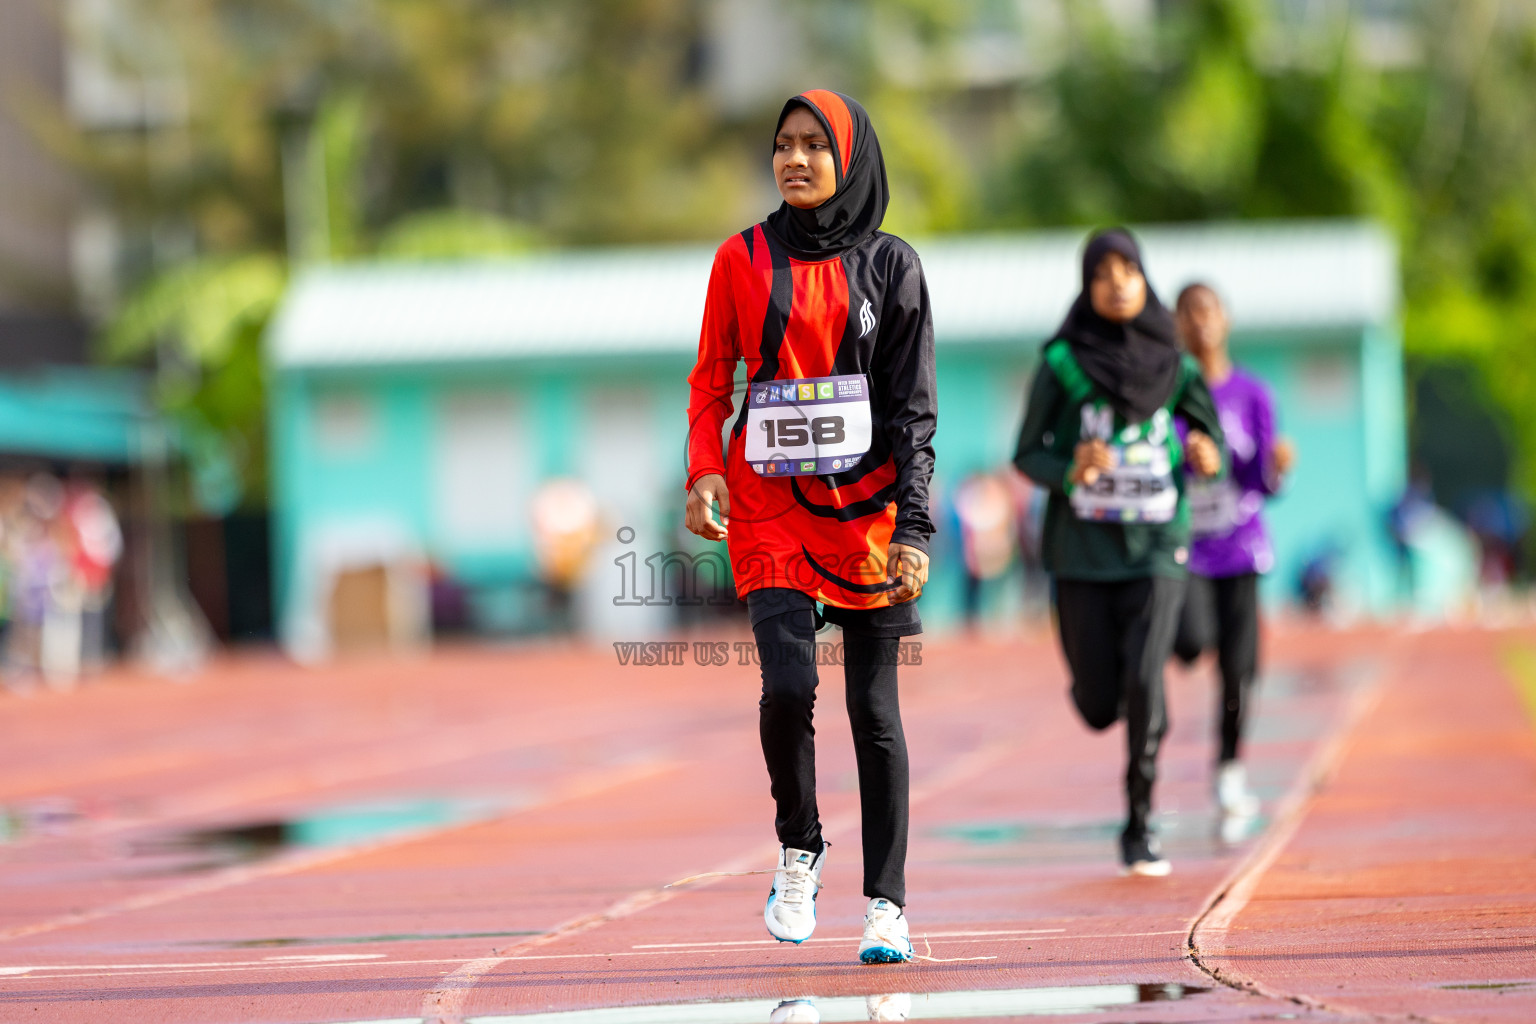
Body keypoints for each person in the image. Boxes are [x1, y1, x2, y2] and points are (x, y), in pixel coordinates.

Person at [684, 89, 936, 963]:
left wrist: (915, 527)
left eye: (813, 147)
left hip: (867, 521)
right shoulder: (740, 261)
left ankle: (887, 905)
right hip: (770, 511)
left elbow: (912, 414)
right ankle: (800, 848)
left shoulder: (892, 268)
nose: (794, 160)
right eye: (783, 145)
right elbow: (711, 381)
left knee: (874, 710)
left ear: (850, 159)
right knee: (788, 686)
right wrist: (706, 469)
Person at [1013, 228, 1224, 877]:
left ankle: (1140, 822)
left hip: (1158, 545)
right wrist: (1070, 466)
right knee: (1101, 700)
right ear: (1087, 286)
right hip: (1082, 552)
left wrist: (1205, 455)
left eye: (1128, 269)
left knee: (1145, 677)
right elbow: (1027, 453)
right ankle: (1099, 700)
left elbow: (1208, 440)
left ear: (1144, 278)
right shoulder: (1062, 364)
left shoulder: (1178, 366)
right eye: (1102, 273)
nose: (1117, 282)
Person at [1170, 284, 1294, 821]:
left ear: (1225, 320)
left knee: (1240, 671)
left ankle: (1228, 768)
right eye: (1188, 314)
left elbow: (1264, 481)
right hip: (1186, 547)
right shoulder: (1167, 390)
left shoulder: (1253, 393)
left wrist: (1278, 466)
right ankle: (1196, 641)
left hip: (1241, 547)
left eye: (1208, 311)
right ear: (1176, 326)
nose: (1199, 323)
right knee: (1194, 641)